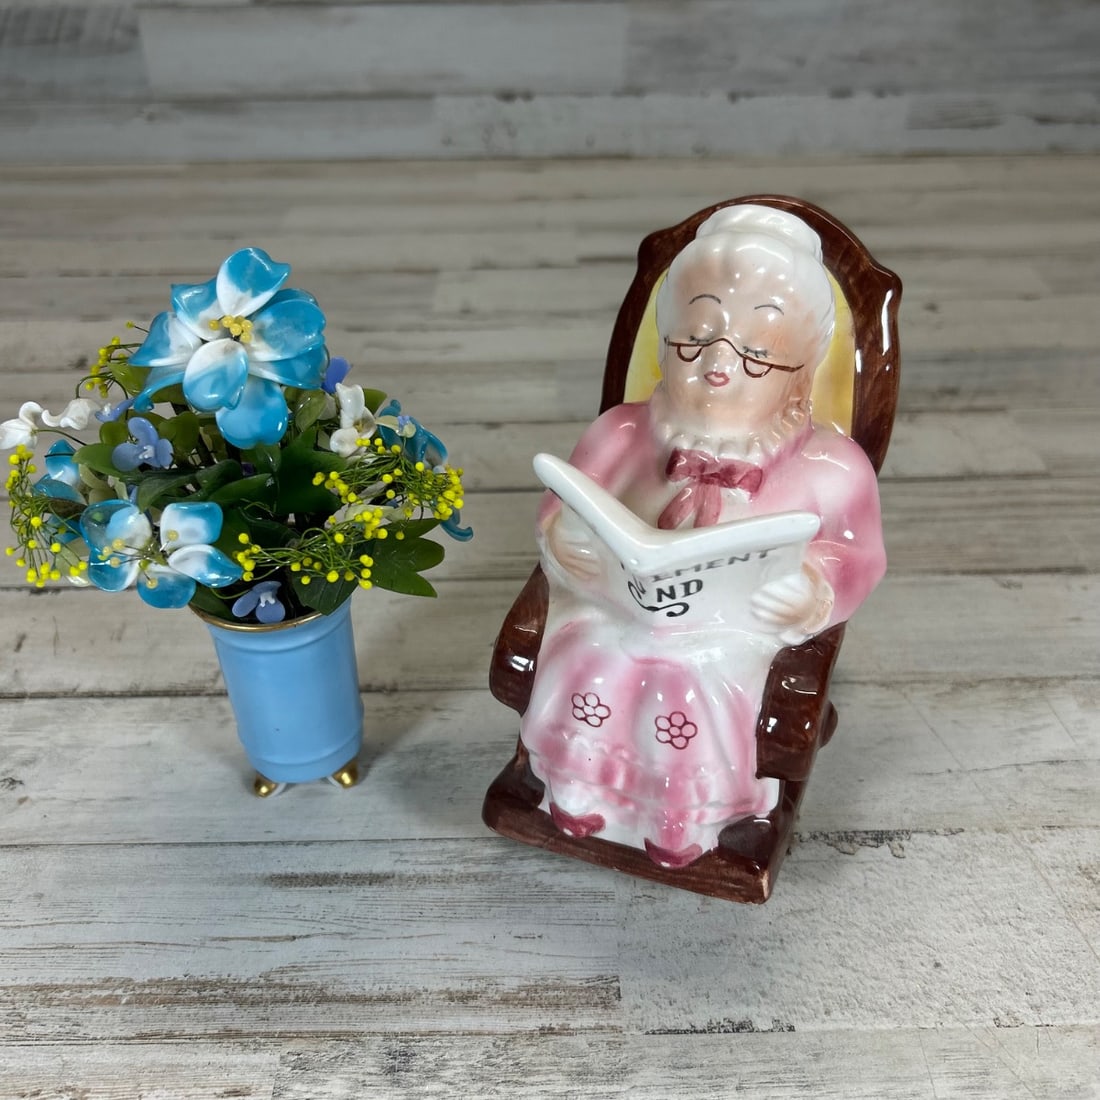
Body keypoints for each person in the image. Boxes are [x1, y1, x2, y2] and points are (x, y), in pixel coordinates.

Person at [519, 205, 887, 868]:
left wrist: (813, 590)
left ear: (801, 372)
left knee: (682, 690)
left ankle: (680, 817)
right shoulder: (622, 433)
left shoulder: (832, 468)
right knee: (596, 665)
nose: (719, 365)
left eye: (756, 354)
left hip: (732, 636)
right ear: (665, 344)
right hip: (613, 608)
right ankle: (576, 787)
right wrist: (563, 537)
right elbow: (563, 502)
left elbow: (857, 554)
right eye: (695, 342)